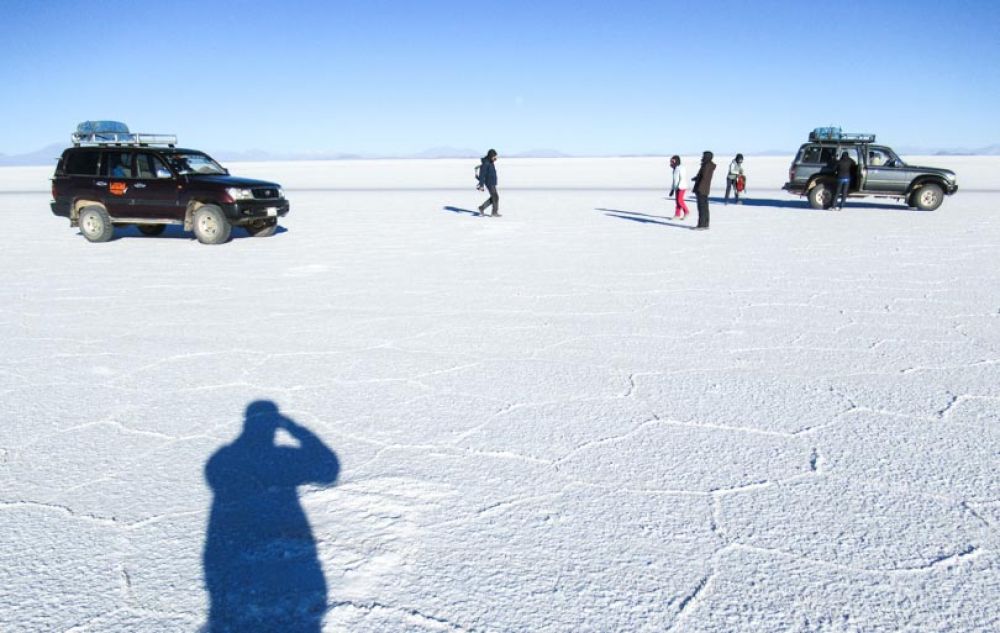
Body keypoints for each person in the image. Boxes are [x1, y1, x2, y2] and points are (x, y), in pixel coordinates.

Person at [692, 151, 716, 230]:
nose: (702, 157)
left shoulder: (706, 165)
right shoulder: (709, 165)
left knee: (702, 207)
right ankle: (705, 224)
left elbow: (704, 176)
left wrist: (698, 178)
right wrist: (696, 178)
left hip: (701, 188)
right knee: (705, 207)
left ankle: (701, 225)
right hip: (705, 188)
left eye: (704, 156)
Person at [476, 149, 500, 217]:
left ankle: (482, 208)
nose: (495, 158)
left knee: (494, 197)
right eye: (494, 156)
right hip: (489, 183)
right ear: (490, 156)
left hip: (492, 182)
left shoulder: (490, 161)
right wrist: (481, 185)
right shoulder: (486, 163)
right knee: (495, 197)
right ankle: (494, 212)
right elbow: (482, 175)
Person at [669, 155, 689, 219]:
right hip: (676, 187)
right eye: (671, 161)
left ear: (677, 161)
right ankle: (677, 215)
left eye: (673, 161)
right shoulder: (675, 169)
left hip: (682, 187)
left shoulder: (681, 168)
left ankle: (686, 211)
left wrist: (680, 186)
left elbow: (682, 178)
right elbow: (674, 180)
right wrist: (672, 189)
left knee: (680, 200)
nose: (672, 162)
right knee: (677, 201)